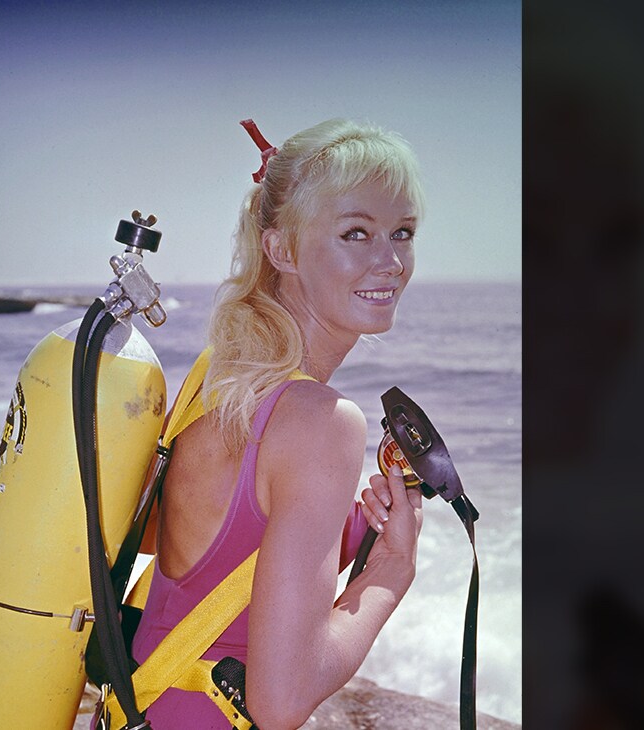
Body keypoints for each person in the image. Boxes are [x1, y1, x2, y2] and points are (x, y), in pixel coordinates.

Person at [129, 118, 426, 729]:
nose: (391, 260)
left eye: (402, 232)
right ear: (281, 250)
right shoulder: (323, 422)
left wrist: (344, 528)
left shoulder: (216, 382)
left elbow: (176, 545)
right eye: (356, 233)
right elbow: (282, 700)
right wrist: (390, 571)